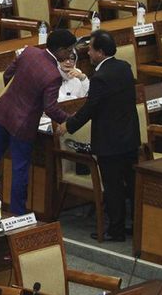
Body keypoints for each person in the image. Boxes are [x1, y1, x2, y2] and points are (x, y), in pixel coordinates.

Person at [0, 29, 76, 215]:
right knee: (20, 167)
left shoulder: (29, 51)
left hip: (3, 111)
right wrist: (70, 120)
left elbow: (7, 75)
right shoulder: (53, 76)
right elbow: (50, 108)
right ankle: (18, 212)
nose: (71, 54)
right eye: (70, 50)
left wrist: (16, 93)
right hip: (23, 123)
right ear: (61, 50)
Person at [58, 30, 140, 242]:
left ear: (101, 52)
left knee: (113, 187)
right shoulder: (125, 68)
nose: (89, 53)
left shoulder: (100, 78)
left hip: (110, 143)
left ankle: (116, 230)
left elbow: (90, 109)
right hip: (130, 139)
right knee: (131, 185)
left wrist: (68, 125)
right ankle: (137, 226)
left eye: (91, 49)